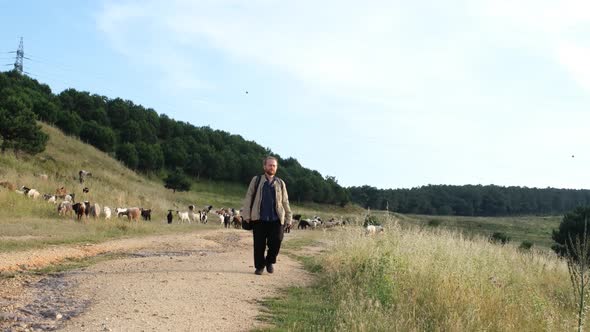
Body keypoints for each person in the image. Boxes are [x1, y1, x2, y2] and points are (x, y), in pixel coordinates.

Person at [242, 156, 293, 275]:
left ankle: (269, 260)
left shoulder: (280, 183)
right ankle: (260, 266)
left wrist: (289, 218)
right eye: (270, 165)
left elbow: (285, 201)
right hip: (259, 218)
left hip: (276, 219)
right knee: (259, 245)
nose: (272, 167)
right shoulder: (256, 180)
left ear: (276, 167)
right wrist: (246, 214)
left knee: (277, 241)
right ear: (264, 166)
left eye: (274, 165)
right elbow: (249, 197)